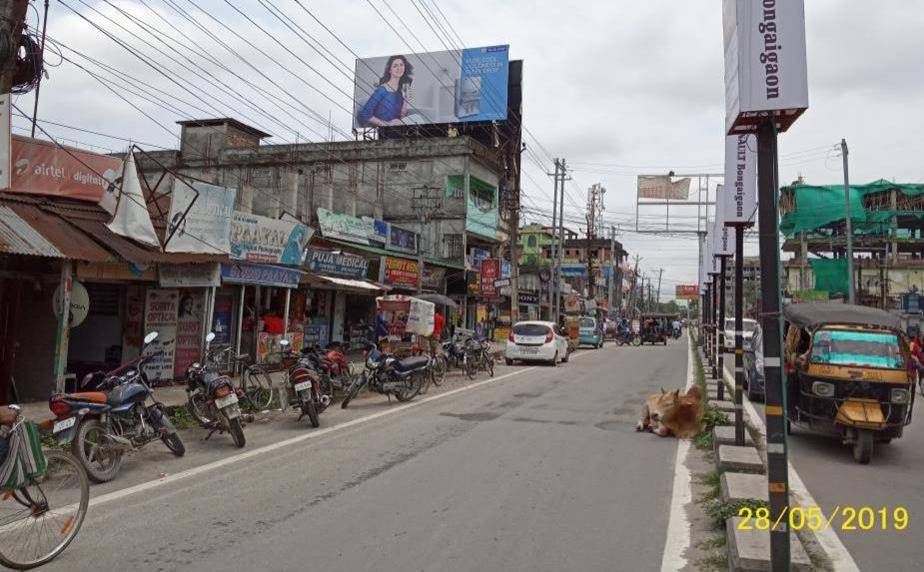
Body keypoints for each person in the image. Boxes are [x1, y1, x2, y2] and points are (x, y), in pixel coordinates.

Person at [356, 55, 413, 127]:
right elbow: (364, 113)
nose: (399, 68)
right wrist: (387, 124)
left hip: (396, 129)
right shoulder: (382, 89)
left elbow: (402, 115)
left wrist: (406, 100)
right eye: (395, 66)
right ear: (390, 70)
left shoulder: (402, 89)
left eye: (401, 65)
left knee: (418, 118)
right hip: (381, 127)